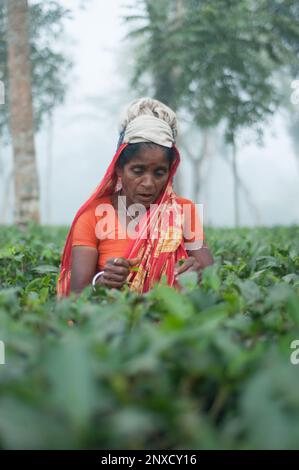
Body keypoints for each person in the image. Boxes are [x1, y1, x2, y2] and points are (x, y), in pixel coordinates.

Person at [56, 97, 214, 298]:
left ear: (170, 171)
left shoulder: (183, 211)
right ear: (120, 168)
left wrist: (197, 272)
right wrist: (103, 282)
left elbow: (212, 278)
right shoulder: (93, 216)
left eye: (159, 173)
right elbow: (77, 294)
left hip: (174, 324)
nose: (148, 183)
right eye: (138, 171)